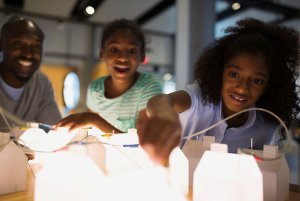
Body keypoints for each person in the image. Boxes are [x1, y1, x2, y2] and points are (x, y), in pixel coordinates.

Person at [137, 18, 300, 164]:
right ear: (219, 72)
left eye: (257, 81)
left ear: (269, 86)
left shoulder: (264, 126)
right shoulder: (200, 98)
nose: (242, 87)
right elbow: (160, 101)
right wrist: (164, 115)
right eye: (234, 74)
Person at [56, 19, 162, 133]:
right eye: (114, 49)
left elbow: (143, 142)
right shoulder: (95, 89)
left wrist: (94, 120)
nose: (122, 58)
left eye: (132, 50)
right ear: (102, 54)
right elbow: (93, 134)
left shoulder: (148, 86)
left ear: (142, 56)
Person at [0, 16, 61, 132]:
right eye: (18, 43)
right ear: (1, 45)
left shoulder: (41, 82)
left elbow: (54, 129)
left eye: (36, 46)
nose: (28, 54)